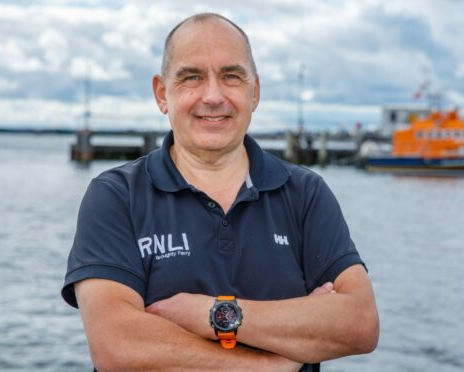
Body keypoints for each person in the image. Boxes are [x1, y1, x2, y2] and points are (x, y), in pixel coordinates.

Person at [61, 12, 379, 371]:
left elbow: (359, 323)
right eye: (191, 77)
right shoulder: (117, 196)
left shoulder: (304, 194)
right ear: (162, 94)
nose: (212, 96)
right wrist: (269, 364)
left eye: (231, 76)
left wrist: (214, 314)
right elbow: (116, 345)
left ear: (254, 92)